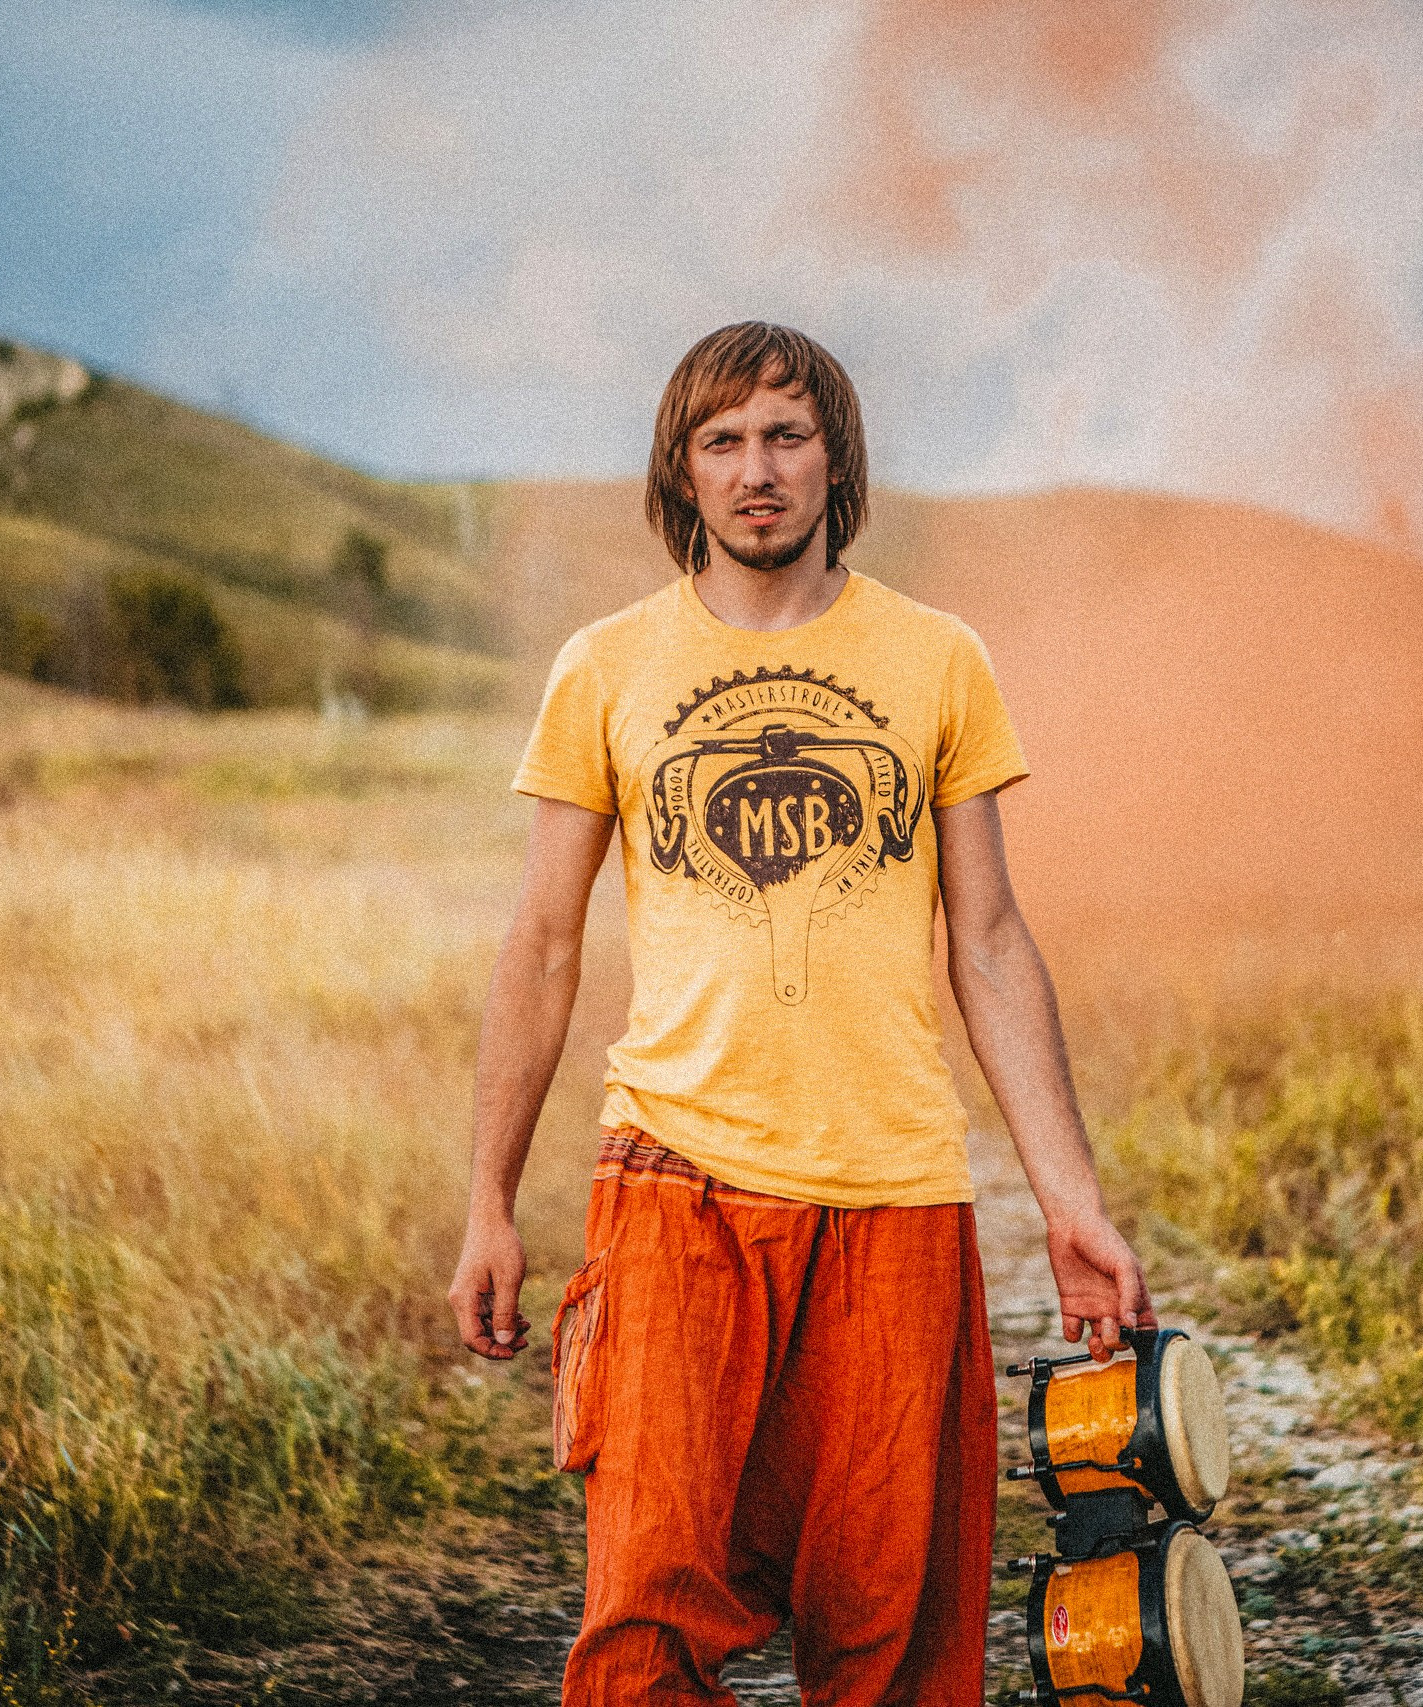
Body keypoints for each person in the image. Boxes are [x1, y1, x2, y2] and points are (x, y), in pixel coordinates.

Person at [447, 321, 1154, 1705]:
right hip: (671, 1181)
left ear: (836, 459)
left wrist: (1069, 1201)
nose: (756, 470)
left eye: (785, 434)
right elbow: (542, 945)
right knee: (640, 1622)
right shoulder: (606, 666)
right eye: (723, 441)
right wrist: (488, 1198)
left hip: (896, 1197)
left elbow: (993, 941)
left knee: (893, 1640)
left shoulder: (938, 658)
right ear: (683, 473)